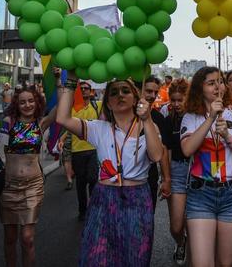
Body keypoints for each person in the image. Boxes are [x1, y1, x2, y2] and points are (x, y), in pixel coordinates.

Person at [56, 78, 162, 266]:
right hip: (103, 200)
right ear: (108, 104)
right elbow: (62, 118)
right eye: (113, 93)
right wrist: (71, 81)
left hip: (137, 200)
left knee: (134, 259)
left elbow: (156, 156)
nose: (120, 95)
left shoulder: (148, 127)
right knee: (97, 258)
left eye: (125, 91)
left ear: (135, 98)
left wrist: (147, 119)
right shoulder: (98, 128)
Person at [180, 66, 232, 267]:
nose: (217, 86)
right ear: (199, 88)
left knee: (226, 263)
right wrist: (211, 117)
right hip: (201, 194)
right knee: (202, 263)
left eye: (220, 82)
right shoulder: (190, 117)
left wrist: (228, 137)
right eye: (211, 83)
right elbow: (187, 149)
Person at [0, 82, 58, 267]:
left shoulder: (40, 123)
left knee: (27, 238)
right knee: (10, 238)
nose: (27, 105)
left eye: (31, 101)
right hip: (8, 187)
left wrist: (58, 82)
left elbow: (61, 107)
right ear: (17, 104)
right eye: (22, 102)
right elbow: (0, 153)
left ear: (37, 102)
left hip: (33, 186)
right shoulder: (8, 122)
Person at [160, 79, 190, 266]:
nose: (177, 104)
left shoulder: (198, 117)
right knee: (176, 226)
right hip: (177, 171)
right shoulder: (168, 120)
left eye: (181, 100)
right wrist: (166, 178)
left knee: (196, 223)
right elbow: (166, 151)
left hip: (198, 172)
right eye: (173, 100)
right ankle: (181, 242)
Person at [70, 80, 101, 221]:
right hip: (77, 150)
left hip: (93, 149)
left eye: (86, 88)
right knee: (81, 183)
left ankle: (93, 209)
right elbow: (67, 125)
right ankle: (82, 210)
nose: (83, 90)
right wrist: (61, 138)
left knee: (93, 180)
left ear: (91, 91)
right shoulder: (73, 108)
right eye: (81, 88)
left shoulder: (97, 105)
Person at [141, 76, 171, 210]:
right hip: (124, 178)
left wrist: (166, 179)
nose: (152, 96)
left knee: (148, 216)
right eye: (148, 91)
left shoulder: (158, 118)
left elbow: (163, 149)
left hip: (150, 176)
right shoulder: (125, 114)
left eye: (155, 92)